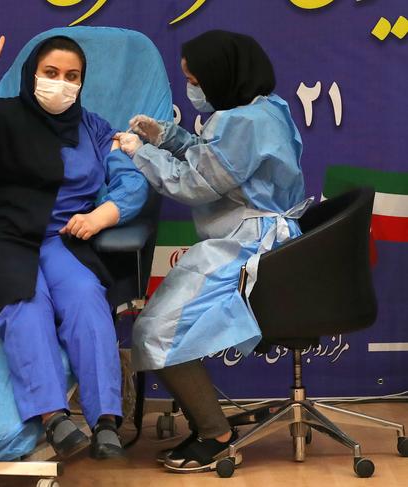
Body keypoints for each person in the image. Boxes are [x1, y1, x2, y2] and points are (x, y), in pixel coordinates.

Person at [0, 31, 149, 460]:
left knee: (87, 297)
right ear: (33, 73)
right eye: (51, 73)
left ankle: (105, 418)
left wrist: (102, 214)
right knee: (26, 300)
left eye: (72, 76)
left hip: (59, 239)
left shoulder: (93, 127)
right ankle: (53, 416)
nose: (61, 83)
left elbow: (130, 181)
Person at [117, 30, 311, 473]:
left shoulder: (241, 122)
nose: (193, 88)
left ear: (221, 75)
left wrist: (140, 152)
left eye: (195, 79)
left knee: (154, 332)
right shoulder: (265, 109)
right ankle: (208, 424)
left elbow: (197, 182)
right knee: (160, 329)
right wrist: (166, 136)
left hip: (246, 246)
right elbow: (220, 161)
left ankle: (215, 434)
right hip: (262, 238)